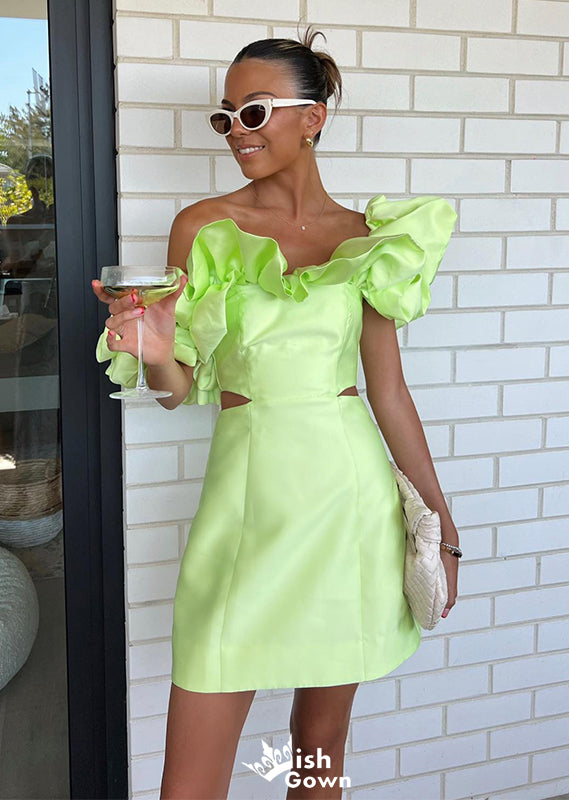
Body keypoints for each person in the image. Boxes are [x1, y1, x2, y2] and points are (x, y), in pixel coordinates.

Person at [92, 26, 460, 800]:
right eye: (225, 117)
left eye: (253, 112)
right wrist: (155, 349)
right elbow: (177, 387)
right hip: (246, 503)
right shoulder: (202, 227)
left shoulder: (366, 239)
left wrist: (439, 522)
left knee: (319, 744)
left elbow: (390, 393)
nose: (236, 132)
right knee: (190, 778)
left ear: (312, 118)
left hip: (348, 505)